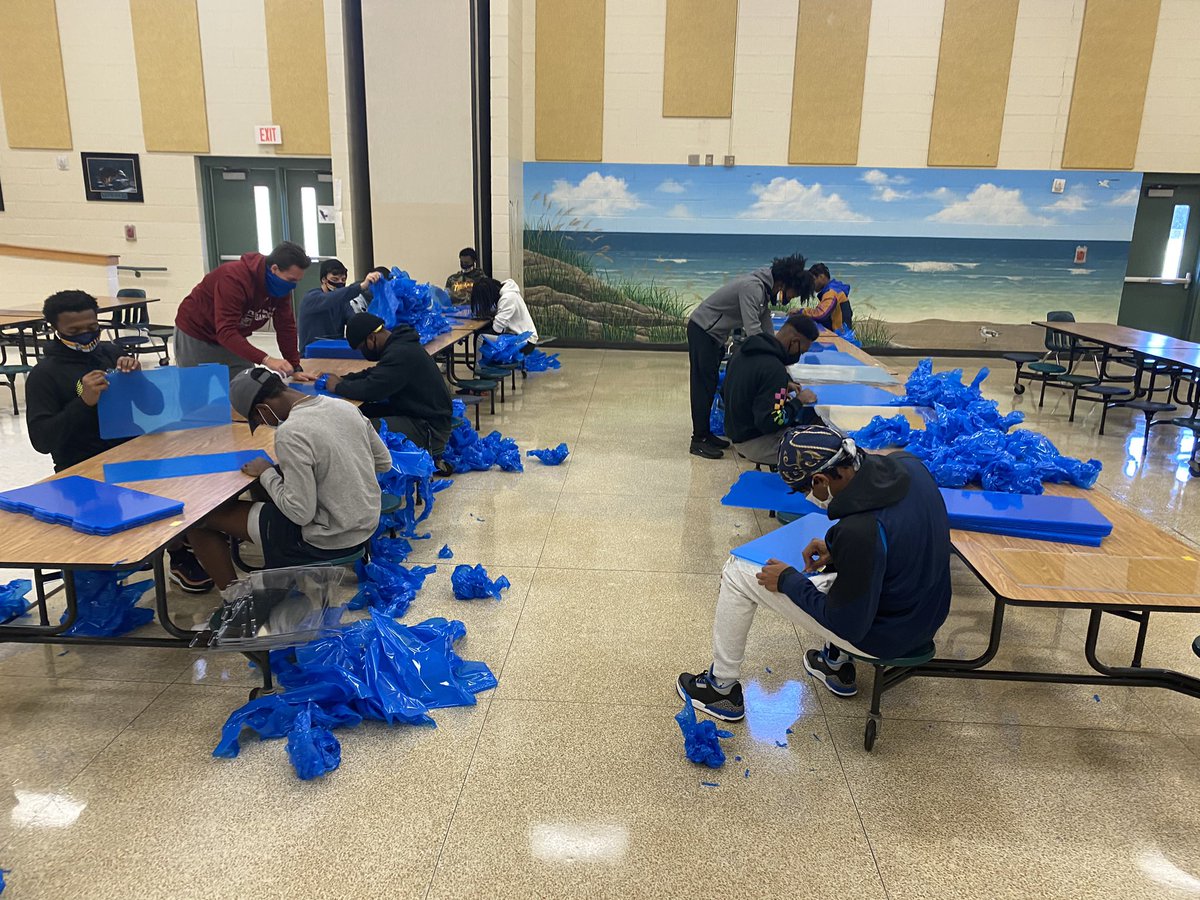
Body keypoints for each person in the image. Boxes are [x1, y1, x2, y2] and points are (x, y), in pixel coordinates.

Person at [677, 424, 952, 721]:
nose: (809, 496)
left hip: (887, 636)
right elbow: (897, 538)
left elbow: (847, 624)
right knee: (845, 569)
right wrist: (836, 546)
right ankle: (834, 663)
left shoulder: (859, 533)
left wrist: (788, 580)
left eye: (807, 489)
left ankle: (721, 689)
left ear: (821, 480)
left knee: (737, 573)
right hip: (926, 616)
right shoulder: (911, 467)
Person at [25, 290, 214, 593]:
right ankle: (141, 551)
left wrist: (138, 380)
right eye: (74, 331)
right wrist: (83, 401)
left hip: (132, 450)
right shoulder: (44, 375)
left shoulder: (111, 353)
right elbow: (42, 439)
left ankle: (178, 550)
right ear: (55, 329)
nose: (86, 335)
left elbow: (154, 409)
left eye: (91, 327)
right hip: (82, 464)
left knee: (191, 484)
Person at [187, 366, 392, 596]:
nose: (264, 423)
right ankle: (269, 564)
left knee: (200, 520)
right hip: (366, 523)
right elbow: (384, 462)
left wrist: (266, 472)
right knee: (272, 487)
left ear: (263, 410)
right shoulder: (343, 406)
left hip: (328, 538)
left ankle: (235, 601)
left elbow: (300, 513)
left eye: (258, 419)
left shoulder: (290, 433)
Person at [687, 254, 814, 460]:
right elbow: (753, 329)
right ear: (784, 283)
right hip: (703, 330)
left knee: (709, 385)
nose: (790, 298)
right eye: (793, 293)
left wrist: (783, 372)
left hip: (716, 335)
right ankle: (698, 440)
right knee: (703, 386)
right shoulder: (752, 288)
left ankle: (706, 434)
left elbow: (768, 331)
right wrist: (774, 366)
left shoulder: (763, 293)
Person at [318, 313, 454, 460]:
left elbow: (372, 389)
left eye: (362, 348)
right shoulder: (400, 345)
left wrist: (338, 387)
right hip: (417, 415)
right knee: (358, 412)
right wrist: (344, 379)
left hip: (429, 429)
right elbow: (375, 374)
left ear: (371, 338)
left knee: (355, 427)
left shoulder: (401, 353)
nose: (363, 353)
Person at [174, 241, 312, 379]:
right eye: (291, 279)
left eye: (297, 282)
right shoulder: (234, 278)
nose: (293, 286)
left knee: (247, 386)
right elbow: (225, 331)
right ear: (274, 269)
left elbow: (285, 326)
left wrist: (295, 366)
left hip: (232, 337)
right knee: (197, 393)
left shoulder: (281, 287)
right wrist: (267, 359)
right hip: (197, 332)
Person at [723, 313, 821, 465]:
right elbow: (771, 422)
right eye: (801, 352)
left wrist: (780, 388)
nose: (798, 356)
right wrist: (798, 401)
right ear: (794, 342)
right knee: (821, 453)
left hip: (734, 431)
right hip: (753, 442)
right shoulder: (774, 369)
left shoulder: (743, 351)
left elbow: (739, 388)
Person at [297, 259, 379, 351]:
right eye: (334, 279)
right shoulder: (311, 298)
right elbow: (331, 299)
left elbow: (354, 320)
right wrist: (361, 286)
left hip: (335, 351)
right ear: (324, 279)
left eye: (343, 279)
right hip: (310, 354)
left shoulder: (342, 302)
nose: (340, 282)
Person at [470, 277, 539, 344]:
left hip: (524, 341)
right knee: (480, 332)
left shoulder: (507, 298)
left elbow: (497, 329)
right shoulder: (507, 293)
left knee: (480, 337)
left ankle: (478, 356)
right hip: (517, 335)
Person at [803, 263, 853, 331]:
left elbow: (821, 315)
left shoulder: (831, 292)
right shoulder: (835, 289)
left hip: (840, 336)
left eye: (813, 280)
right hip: (843, 333)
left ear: (821, 277)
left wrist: (801, 312)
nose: (811, 284)